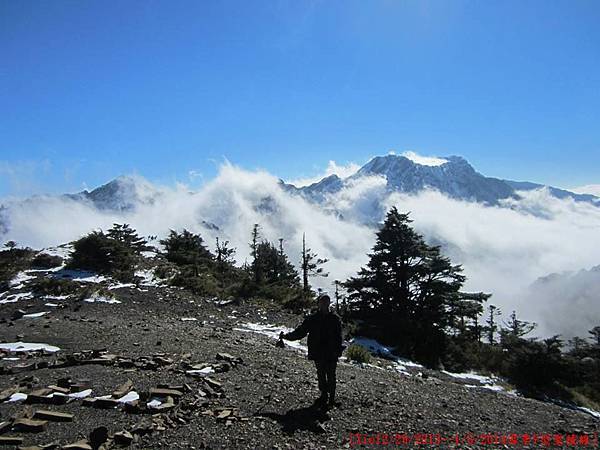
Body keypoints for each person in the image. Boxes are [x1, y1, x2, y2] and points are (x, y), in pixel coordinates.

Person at [279, 293, 343, 409]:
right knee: (322, 374)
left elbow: (339, 337)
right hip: (320, 352)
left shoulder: (333, 319)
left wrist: (338, 350)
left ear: (328, 303)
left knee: (330, 375)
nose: (324, 304)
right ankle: (325, 396)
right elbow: (300, 332)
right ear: (319, 303)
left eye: (326, 302)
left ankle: (330, 398)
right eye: (322, 302)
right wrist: (287, 337)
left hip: (329, 352)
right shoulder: (315, 319)